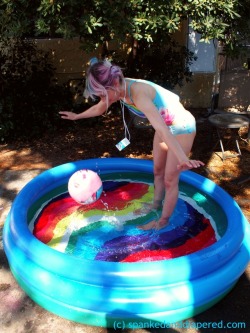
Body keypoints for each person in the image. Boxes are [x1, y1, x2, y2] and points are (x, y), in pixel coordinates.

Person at [59, 59, 204, 230]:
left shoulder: (138, 93)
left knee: (170, 179)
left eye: (102, 95)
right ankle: (155, 205)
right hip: (166, 127)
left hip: (181, 127)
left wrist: (182, 157)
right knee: (157, 170)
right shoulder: (118, 89)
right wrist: (77, 116)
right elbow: (100, 108)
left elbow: (163, 129)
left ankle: (161, 222)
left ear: (113, 83)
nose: (102, 99)